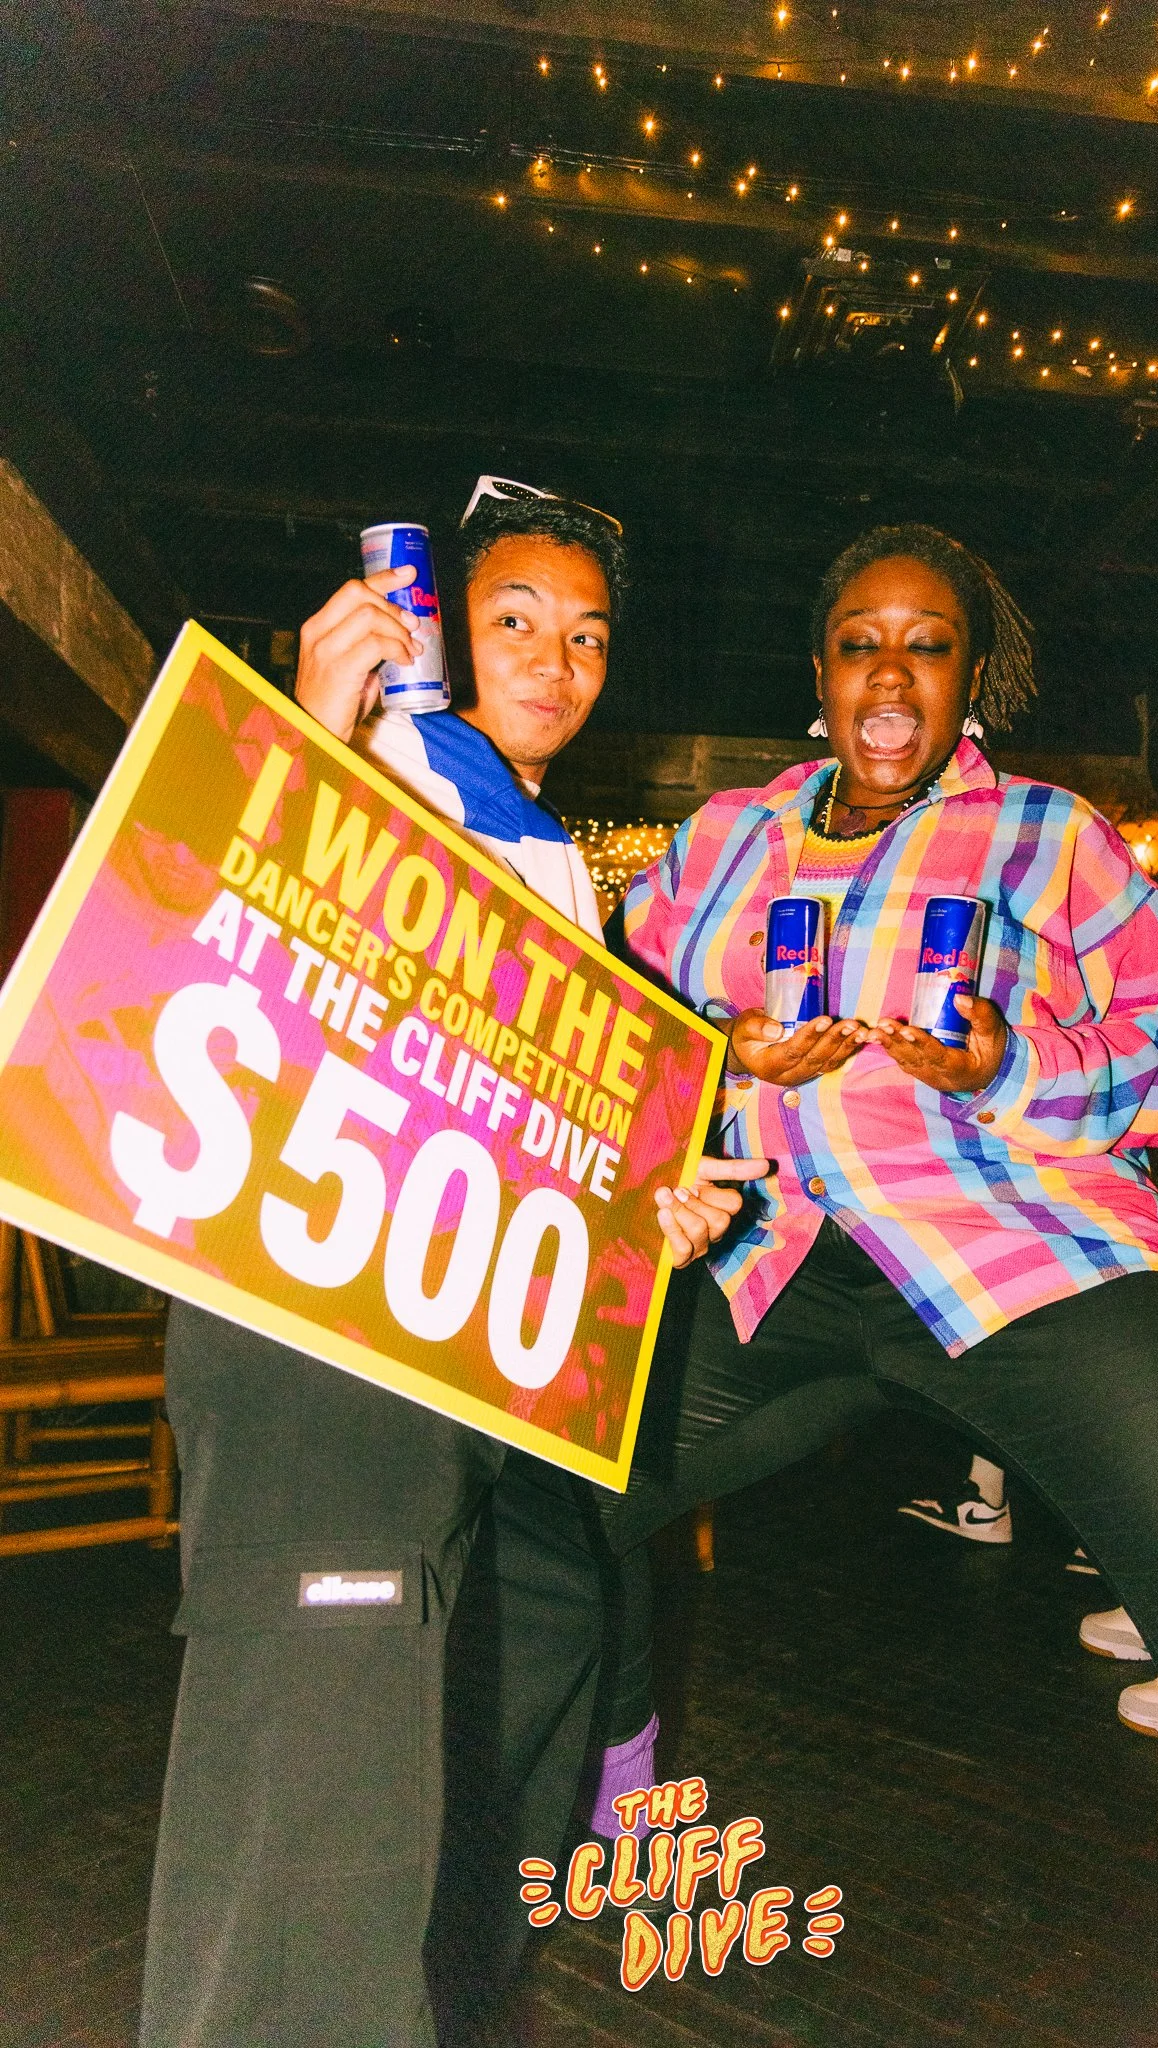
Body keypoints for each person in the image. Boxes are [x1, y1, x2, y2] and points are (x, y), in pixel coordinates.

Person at [605, 522, 1158, 2048]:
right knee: (548, 1488)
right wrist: (713, 1054)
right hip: (772, 1264)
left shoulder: (1048, 837)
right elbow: (615, 1034)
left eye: (927, 644)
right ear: (819, 671)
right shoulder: (718, 846)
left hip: (1025, 1253)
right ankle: (613, 1794)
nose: (890, 674)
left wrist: (1008, 1063)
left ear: (970, 679)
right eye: (860, 642)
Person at [138, 480, 757, 2048]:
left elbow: (522, 1126)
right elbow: (194, 930)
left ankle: (445, 1984)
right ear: (438, 634)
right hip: (313, 1329)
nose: (556, 660)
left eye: (586, 636)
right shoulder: (380, 763)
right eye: (514, 622)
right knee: (310, 1774)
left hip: (465, 1351)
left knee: (547, 1618)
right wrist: (311, 732)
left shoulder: (548, 860)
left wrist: (645, 1212)